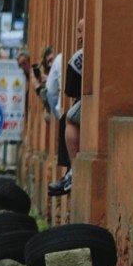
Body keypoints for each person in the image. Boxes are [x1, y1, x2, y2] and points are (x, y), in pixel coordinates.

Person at [50, 18, 84, 197]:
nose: (78, 36)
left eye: (80, 31)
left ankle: (72, 171)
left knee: (68, 118)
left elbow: (69, 90)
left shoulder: (79, 56)